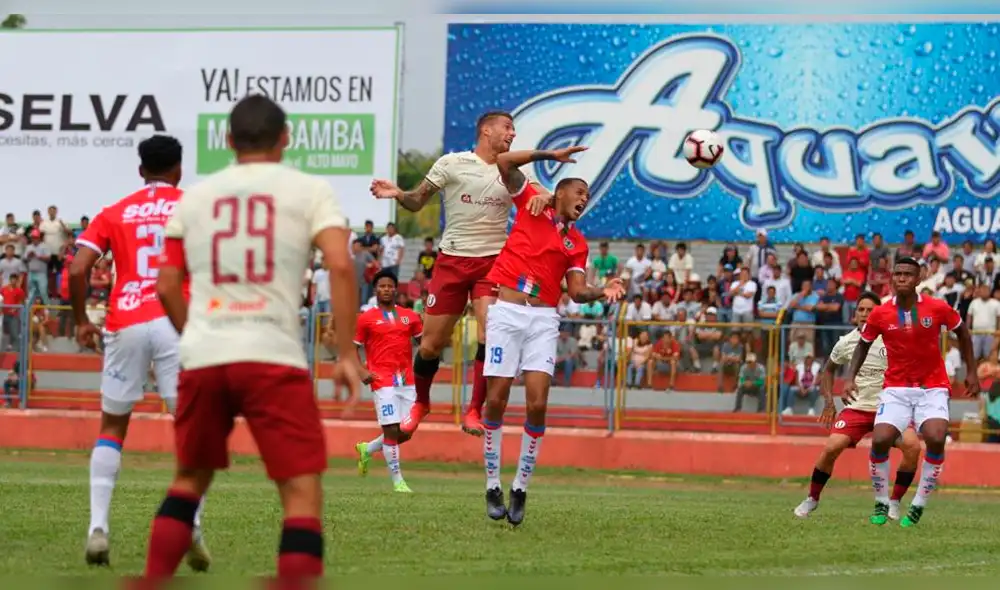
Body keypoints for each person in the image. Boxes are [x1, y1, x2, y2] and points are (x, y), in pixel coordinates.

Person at [142, 94, 363, 580]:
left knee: (189, 479)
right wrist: (346, 353)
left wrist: (195, 333)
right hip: (271, 352)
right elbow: (341, 264)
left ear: (228, 140)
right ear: (285, 138)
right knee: (300, 490)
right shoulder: (309, 190)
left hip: (205, 352)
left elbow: (166, 284)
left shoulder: (195, 197)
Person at [69, 135, 209, 570]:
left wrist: (81, 320)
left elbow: (77, 268)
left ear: (140, 170)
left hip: (126, 318)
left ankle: (98, 529)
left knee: (113, 426)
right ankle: (192, 525)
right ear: (179, 169)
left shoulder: (115, 211)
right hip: (176, 319)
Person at [369, 111, 549, 438]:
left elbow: (541, 195)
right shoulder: (452, 163)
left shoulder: (513, 169)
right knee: (430, 346)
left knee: (489, 335)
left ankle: (474, 409)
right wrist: (398, 194)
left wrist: (548, 198)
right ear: (486, 130)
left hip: (493, 263)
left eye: (513, 130)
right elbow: (417, 201)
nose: (512, 134)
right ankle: (421, 403)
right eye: (507, 128)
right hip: (452, 261)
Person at [481, 146, 624, 526]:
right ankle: (492, 484)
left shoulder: (578, 243)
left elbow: (576, 292)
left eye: (588, 197)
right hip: (507, 312)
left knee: (538, 404)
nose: (584, 200)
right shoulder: (531, 202)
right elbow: (504, 162)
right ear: (559, 193)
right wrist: (549, 155)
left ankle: (520, 488)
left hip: (543, 319)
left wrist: (604, 290)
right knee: (495, 399)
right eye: (579, 192)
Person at [843, 257, 979, 527]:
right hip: (896, 388)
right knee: (881, 439)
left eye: (908, 274)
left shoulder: (937, 307)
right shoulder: (881, 313)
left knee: (936, 437)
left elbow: (963, 333)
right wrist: (850, 378)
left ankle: (918, 503)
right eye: (898, 274)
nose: (902, 278)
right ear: (892, 278)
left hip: (932, 386)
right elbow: (863, 345)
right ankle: (881, 502)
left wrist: (972, 371)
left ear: (918, 279)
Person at [794, 291, 921, 520]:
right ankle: (812, 498)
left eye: (870, 310)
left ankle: (894, 502)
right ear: (854, 315)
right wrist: (829, 403)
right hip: (856, 407)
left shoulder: (894, 339)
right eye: (861, 310)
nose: (865, 314)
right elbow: (828, 371)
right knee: (831, 447)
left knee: (912, 447)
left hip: (889, 408)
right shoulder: (846, 342)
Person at [353, 269, 424, 493]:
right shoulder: (366, 318)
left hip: (407, 381)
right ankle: (398, 482)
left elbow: (425, 344)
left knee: (406, 431)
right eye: (382, 286)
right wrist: (361, 371)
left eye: (390, 286)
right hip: (381, 380)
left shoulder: (410, 316)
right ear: (375, 290)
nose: (386, 289)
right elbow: (351, 348)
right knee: (391, 429)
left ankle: (367, 449)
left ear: (396, 289)